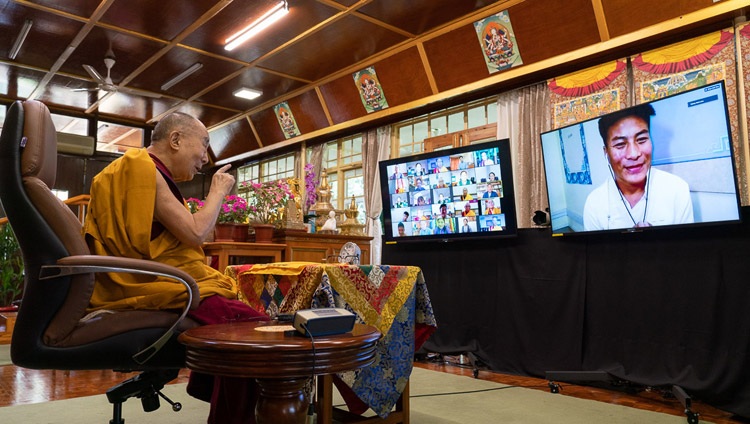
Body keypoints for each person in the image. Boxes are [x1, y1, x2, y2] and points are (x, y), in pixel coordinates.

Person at [83, 112, 268, 424]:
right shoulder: (142, 168)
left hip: (156, 276)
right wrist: (218, 191)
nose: (205, 159)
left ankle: (216, 391)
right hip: (158, 281)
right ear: (176, 139)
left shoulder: (136, 172)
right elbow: (196, 233)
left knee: (245, 324)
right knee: (254, 334)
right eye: (205, 145)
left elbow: (190, 235)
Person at [583, 104, 693, 230]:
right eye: (620, 144)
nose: (634, 154)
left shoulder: (677, 189)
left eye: (641, 140)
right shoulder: (594, 203)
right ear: (606, 152)